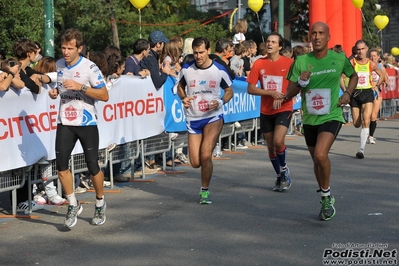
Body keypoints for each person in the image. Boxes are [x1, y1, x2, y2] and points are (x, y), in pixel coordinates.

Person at [285, 22, 358, 221]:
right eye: (313, 33)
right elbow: (289, 93)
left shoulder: (339, 58)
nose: (316, 37)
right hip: (309, 118)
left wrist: (348, 94)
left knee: (320, 154)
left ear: (328, 37)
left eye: (321, 33)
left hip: (332, 115)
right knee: (317, 161)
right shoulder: (300, 61)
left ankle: (325, 197)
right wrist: (301, 82)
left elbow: (354, 76)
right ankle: (326, 193)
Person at [48, 28, 109, 228]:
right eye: (63, 48)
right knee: (61, 166)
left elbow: (104, 95)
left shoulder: (90, 68)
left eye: (70, 48)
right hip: (65, 120)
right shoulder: (58, 64)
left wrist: (81, 87)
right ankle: (73, 203)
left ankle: (100, 203)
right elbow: (61, 85)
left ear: (79, 48)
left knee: (92, 166)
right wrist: (56, 92)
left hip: (86, 122)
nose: (65, 52)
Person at [176, 37, 233, 204]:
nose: (198, 56)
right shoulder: (186, 68)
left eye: (201, 52)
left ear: (208, 51)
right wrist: (184, 97)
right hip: (193, 117)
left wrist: (221, 101)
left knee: (206, 155)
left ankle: (205, 191)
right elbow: (179, 86)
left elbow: (229, 90)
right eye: (195, 53)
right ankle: (204, 178)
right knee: (195, 162)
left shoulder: (219, 69)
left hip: (213, 116)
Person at [247, 32, 294, 192]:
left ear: (280, 47)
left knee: (278, 141)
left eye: (273, 42)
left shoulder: (289, 63)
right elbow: (250, 88)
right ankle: (280, 175)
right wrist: (270, 93)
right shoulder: (259, 64)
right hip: (266, 110)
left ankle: (285, 169)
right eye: (268, 41)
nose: (269, 44)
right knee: (270, 147)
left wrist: (284, 96)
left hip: (284, 108)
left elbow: (295, 85)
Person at [350, 40, 384, 158]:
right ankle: (360, 126)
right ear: (356, 50)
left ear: (366, 49)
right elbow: (342, 76)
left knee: (366, 120)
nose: (360, 51)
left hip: (367, 92)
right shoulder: (352, 62)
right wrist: (346, 89)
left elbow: (382, 75)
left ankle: (361, 149)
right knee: (356, 123)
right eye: (358, 49)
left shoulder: (372, 64)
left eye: (362, 49)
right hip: (355, 93)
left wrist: (376, 85)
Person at [368, 48, 388, 144]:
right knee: (366, 115)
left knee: (373, 115)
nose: (372, 57)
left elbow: (385, 77)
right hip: (367, 91)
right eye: (371, 55)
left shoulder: (380, 67)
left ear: (378, 57)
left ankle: (371, 136)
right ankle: (366, 132)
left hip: (377, 92)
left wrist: (384, 82)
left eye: (374, 55)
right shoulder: (366, 65)